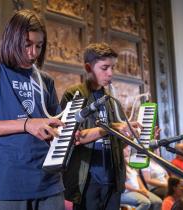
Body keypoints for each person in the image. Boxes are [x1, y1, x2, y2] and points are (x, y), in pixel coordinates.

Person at [0, 9, 65, 210]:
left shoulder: (45, 80)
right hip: (9, 183)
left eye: (39, 46)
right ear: (12, 40)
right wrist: (27, 124)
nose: (33, 53)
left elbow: (56, 126)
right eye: (27, 45)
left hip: (49, 182)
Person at [60, 42, 141, 210]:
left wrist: (132, 135)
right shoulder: (74, 94)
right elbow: (71, 137)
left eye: (112, 67)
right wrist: (110, 127)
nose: (110, 73)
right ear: (88, 68)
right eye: (105, 68)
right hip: (87, 182)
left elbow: (118, 144)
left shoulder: (113, 101)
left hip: (113, 181)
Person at [121, 145, 162, 210]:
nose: (128, 149)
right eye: (125, 148)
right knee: (145, 203)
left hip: (138, 190)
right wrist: (138, 191)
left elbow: (137, 177)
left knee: (157, 201)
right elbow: (123, 184)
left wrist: (144, 189)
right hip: (127, 192)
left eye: (128, 147)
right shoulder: (118, 165)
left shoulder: (129, 162)